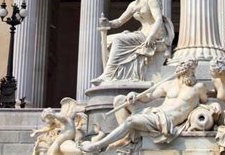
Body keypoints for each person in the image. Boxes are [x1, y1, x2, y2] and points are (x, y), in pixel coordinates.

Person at [80, 59, 209, 153]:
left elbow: (206, 102)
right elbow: (148, 97)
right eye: (191, 71)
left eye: (194, 71)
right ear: (183, 72)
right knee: (120, 100)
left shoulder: (198, 87)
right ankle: (127, 139)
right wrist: (135, 95)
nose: (193, 74)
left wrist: (212, 107)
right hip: (154, 112)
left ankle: (98, 145)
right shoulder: (168, 84)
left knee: (131, 120)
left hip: (165, 121)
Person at [91, 0, 174, 84]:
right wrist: (107, 23)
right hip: (142, 34)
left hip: (154, 36)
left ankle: (107, 75)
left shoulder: (150, 0)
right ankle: (115, 73)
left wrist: (150, 37)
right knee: (107, 40)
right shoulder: (133, 5)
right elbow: (119, 21)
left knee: (118, 40)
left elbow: (158, 19)